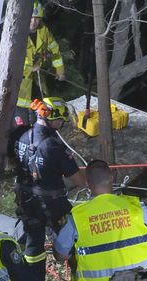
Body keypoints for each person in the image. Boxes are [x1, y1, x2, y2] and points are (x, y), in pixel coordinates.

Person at [11, 97, 86, 280]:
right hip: (53, 204)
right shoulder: (54, 145)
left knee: (33, 245)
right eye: (60, 120)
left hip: (27, 201)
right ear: (52, 118)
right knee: (74, 238)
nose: (61, 123)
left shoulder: (21, 135)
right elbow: (78, 179)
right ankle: (80, 275)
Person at [54, 160, 147, 281]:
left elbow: (60, 254)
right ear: (112, 177)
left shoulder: (78, 217)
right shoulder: (136, 207)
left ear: (88, 183)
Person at [14, 1, 66, 126]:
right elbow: (11, 59)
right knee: (22, 119)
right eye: (31, 17)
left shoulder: (43, 31)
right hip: (20, 82)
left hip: (37, 80)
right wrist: (29, 67)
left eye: (37, 18)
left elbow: (54, 49)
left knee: (40, 111)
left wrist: (60, 70)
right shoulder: (17, 31)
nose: (33, 21)